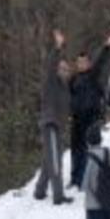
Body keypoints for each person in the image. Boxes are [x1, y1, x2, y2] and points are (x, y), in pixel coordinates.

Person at [68, 34, 110, 188]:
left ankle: (86, 178)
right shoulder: (73, 79)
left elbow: (100, 61)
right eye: (79, 62)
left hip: (90, 118)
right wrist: (69, 113)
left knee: (89, 149)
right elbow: (69, 98)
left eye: (84, 62)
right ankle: (75, 178)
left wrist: (106, 46)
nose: (81, 64)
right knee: (75, 149)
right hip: (76, 118)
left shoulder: (92, 75)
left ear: (89, 64)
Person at [34, 30, 74, 204]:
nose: (64, 71)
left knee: (48, 160)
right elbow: (51, 64)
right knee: (56, 160)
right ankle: (58, 196)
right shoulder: (51, 81)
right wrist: (58, 47)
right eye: (62, 68)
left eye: (67, 69)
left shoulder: (65, 87)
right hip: (50, 124)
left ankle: (39, 191)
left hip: (58, 126)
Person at [82, 123, 110, 219]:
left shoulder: (88, 158)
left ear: (87, 141)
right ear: (100, 139)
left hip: (93, 206)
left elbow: (84, 185)